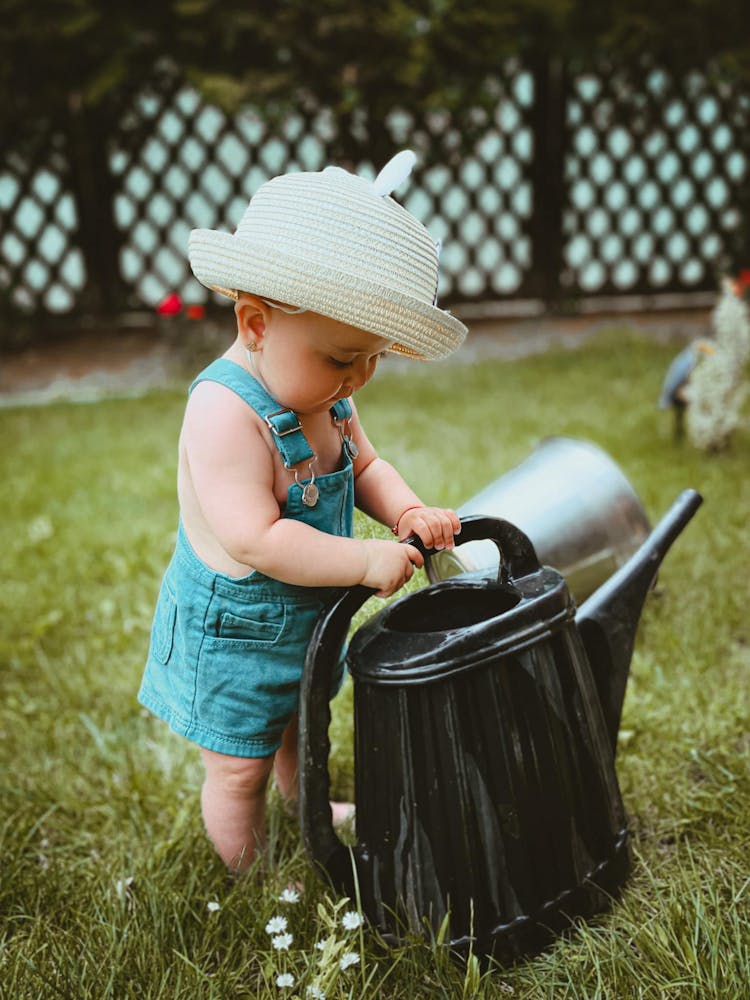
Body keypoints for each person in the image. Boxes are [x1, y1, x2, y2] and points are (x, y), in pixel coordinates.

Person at [138, 150, 468, 874]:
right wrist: (363, 558)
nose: (356, 377)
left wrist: (407, 509)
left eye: (372, 359)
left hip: (303, 619)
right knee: (239, 767)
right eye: (341, 357)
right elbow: (254, 537)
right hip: (233, 633)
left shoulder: (329, 394)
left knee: (301, 728)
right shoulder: (223, 413)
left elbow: (369, 466)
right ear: (254, 323)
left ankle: (307, 802)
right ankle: (248, 873)